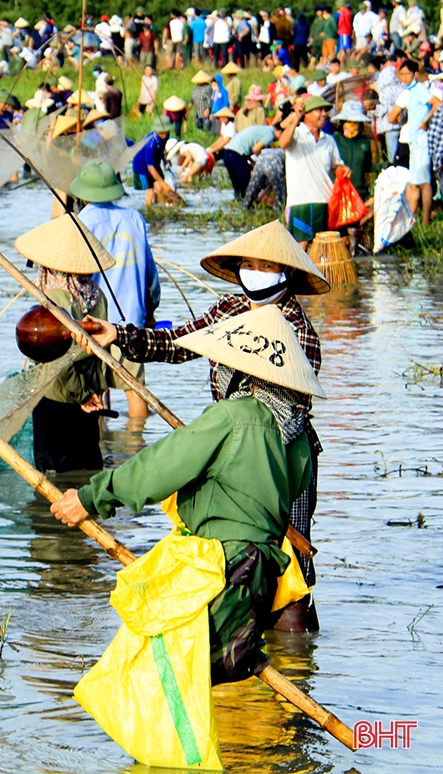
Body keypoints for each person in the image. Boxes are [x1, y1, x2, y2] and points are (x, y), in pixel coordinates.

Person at [74, 220, 330, 631]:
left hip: (283, 457)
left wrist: (229, 423)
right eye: (248, 262)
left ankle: (296, 659)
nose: (254, 270)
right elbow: (178, 341)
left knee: (290, 568)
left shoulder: (297, 329)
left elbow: (285, 405)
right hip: (229, 451)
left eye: (264, 265)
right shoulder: (229, 309)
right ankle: (242, 646)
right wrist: (117, 336)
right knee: (232, 554)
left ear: (286, 272)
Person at [53, 303, 324, 683]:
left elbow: (157, 469)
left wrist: (90, 498)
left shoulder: (231, 417)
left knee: (167, 683)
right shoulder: (301, 439)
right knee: (226, 688)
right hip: (261, 582)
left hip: (220, 575)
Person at [14, 215, 114, 472]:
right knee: (86, 472)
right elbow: (97, 349)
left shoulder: (53, 297)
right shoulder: (95, 293)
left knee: (56, 479)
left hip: (60, 397)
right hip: (86, 394)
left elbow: (58, 359)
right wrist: (92, 391)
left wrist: (82, 394)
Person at [70, 161, 159, 418]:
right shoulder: (134, 219)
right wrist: (151, 309)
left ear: (83, 194)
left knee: (95, 392)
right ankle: (136, 446)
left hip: (92, 322)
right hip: (131, 318)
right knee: (135, 389)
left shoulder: (81, 222)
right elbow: (150, 275)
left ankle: (103, 448)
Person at [278, 95, 349, 248]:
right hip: (302, 202)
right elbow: (283, 142)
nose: (324, 114)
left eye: (325, 110)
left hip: (326, 201)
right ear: (307, 114)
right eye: (319, 110)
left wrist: (343, 170)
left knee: (329, 248)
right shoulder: (296, 135)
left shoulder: (328, 140)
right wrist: (296, 117)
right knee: (301, 247)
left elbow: (336, 165)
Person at [387, 59, 442, 224]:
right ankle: (414, 218)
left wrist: (425, 121)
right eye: (402, 74)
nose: (404, 77)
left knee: (423, 183)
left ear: (415, 74)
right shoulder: (411, 91)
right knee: (415, 183)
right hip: (413, 141)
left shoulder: (418, 89)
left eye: (407, 74)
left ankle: (425, 219)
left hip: (421, 141)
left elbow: (436, 103)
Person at [332, 100, 373, 253]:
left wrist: (386, 166)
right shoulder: (335, 140)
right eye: (349, 122)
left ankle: (353, 257)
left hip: (358, 190)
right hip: (339, 190)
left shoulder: (365, 142)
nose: (352, 125)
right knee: (340, 230)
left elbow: (367, 166)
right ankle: (340, 257)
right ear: (343, 122)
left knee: (354, 229)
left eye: (355, 122)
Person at [222, 123, 276, 200]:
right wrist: (262, 161)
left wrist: (252, 162)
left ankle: (239, 200)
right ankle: (248, 202)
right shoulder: (271, 134)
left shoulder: (264, 129)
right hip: (235, 154)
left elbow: (247, 148)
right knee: (245, 178)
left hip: (228, 152)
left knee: (237, 182)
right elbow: (255, 149)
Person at [131, 116, 176, 206]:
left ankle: (158, 208)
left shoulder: (165, 138)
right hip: (142, 167)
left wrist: (164, 159)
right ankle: (147, 211)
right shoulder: (151, 144)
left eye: (166, 132)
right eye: (162, 132)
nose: (165, 135)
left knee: (159, 189)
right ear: (157, 131)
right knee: (150, 193)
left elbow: (161, 150)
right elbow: (150, 168)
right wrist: (163, 183)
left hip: (154, 164)